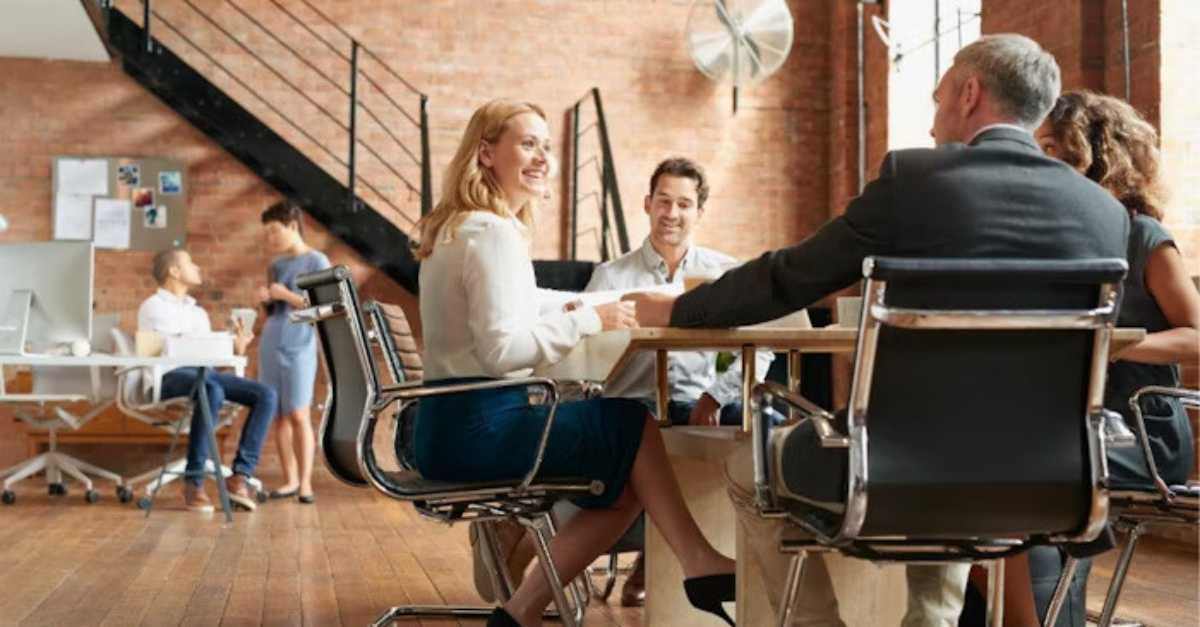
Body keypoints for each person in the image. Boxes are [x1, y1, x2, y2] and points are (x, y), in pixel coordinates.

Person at [625, 34, 1130, 626]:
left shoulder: (914, 180)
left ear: (970, 94)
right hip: (1053, 479)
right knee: (954, 453)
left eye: (939, 98)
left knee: (749, 466)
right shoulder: (1105, 214)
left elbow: (789, 278)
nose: (934, 118)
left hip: (896, 472)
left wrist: (678, 309)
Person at [413, 99, 735, 627]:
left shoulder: (470, 226)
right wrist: (592, 318)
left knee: (630, 472)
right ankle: (697, 560)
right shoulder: (490, 233)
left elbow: (528, 302)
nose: (542, 156)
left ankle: (519, 613)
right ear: (487, 153)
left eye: (546, 145)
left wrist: (593, 306)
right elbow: (503, 352)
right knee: (633, 424)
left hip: (450, 423)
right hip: (477, 427)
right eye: (527, 143)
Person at [982, 90, 1200, 627]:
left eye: (1052, 148)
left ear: (1094, 155)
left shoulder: (1144, 237)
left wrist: (1112, 342)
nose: (1038, 161)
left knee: (1019, 469)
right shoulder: (1052, 242)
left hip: (1142, 434)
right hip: (1065, 424)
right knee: (977, 457)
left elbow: (1197, 336)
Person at [138, 249, 279, 513]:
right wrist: (212, 345)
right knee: (210, 388)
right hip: (169, 375)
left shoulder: (198, 313)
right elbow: (162, 353)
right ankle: (194, 481)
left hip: (204, 373)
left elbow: (209, 360)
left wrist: (235, 349)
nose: (197, 267)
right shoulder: (152, 307)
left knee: (266, 394)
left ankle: (240, 477)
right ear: (174, 271)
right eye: (190, 262)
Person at [256, 201, 331, 504]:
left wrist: (286, 294)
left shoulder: (317, 261)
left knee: (299, 413)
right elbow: (273, 311)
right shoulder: (276, 265)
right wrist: (264, 300)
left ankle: (305, 484)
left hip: (300, 342)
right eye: (267, 234)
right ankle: (288, 480)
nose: (270, 239)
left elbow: (323, 309)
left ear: (292, 225)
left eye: (274, 231)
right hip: (272, 338)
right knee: (278, 415)